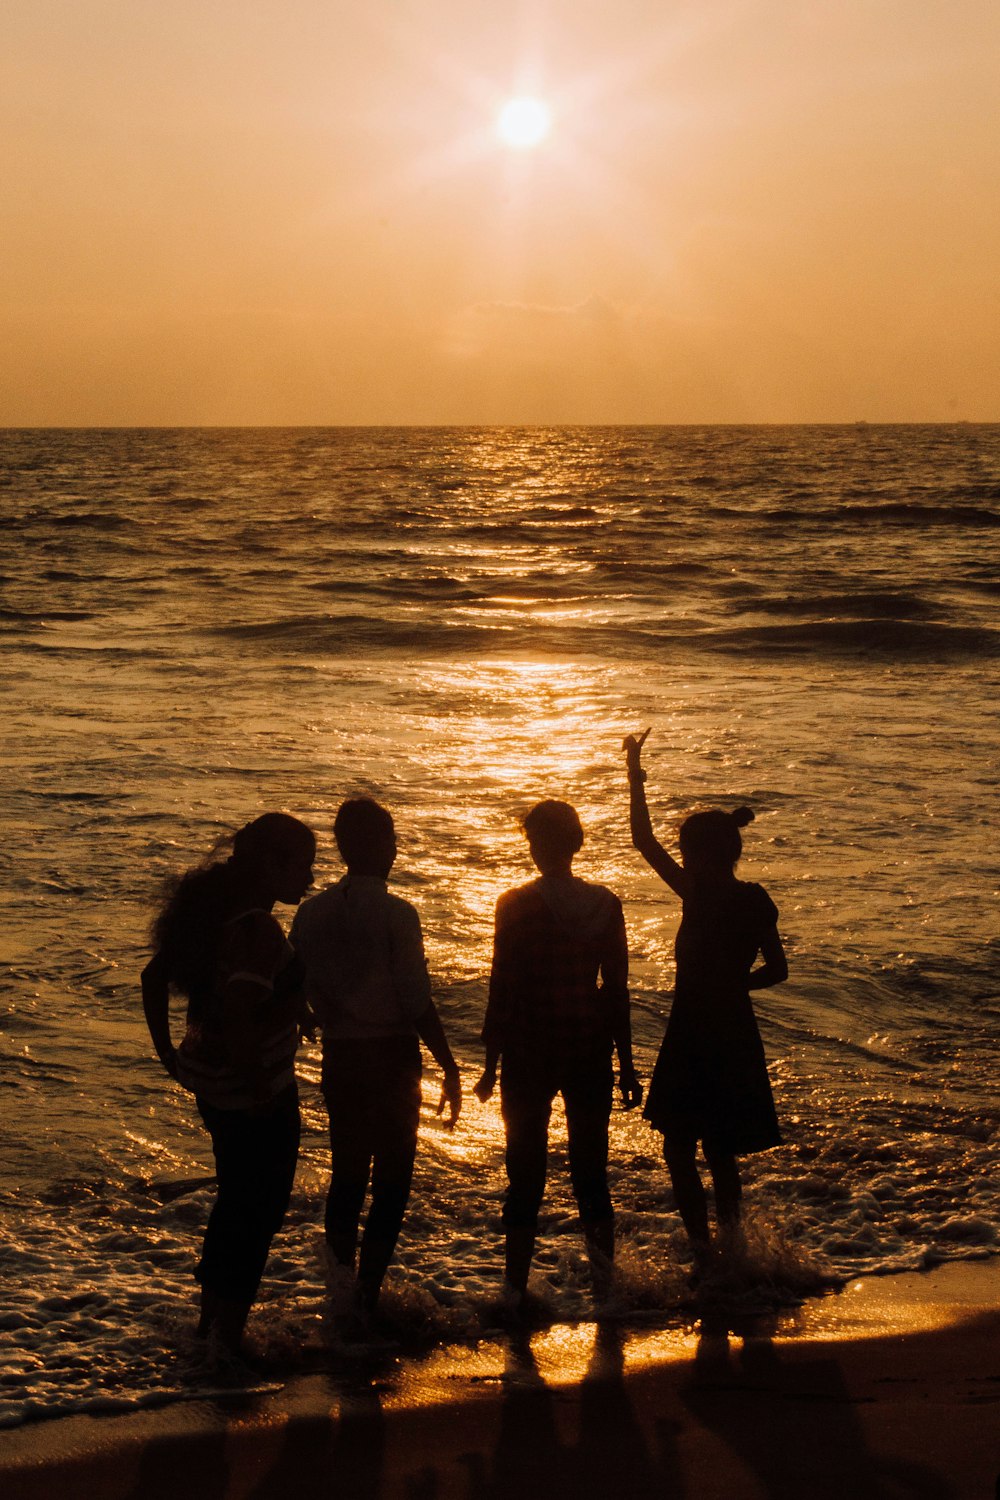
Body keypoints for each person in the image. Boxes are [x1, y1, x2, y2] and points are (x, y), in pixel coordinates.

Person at [141, 812, 317, 1352]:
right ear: (269, 865)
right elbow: (240, 1013)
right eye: (302, 866)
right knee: (258, 1212)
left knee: (234, 1201)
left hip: (211, 1086)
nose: (309, 879)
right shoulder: (259, 929)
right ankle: (227, 1344)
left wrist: (168, 1053)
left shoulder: (213, 915)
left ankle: (208, 1328)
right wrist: (262, 1089)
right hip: (249, 1092)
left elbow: (154, 978)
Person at [623, 729, 788, 1274]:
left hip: (694, 1029)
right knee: (720, 1151)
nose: (683, 857)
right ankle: (731, 1251)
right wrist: (737, 987)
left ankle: (705, 1253)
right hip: (734, 1028)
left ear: (699, 854)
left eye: (688, 849)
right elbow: (778, 969)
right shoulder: (753, 898)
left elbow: (642, 840)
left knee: (680, 1149)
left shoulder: (697, 892)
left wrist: (634, 771)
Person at [290, 797, 461, 1315]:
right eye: (390, 839)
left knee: (347, 1175)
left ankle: (341, 1289)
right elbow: (415, 1001)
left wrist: (311, 1016)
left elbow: (292, 978)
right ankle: (367, 1292)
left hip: (342, 1056)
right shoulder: (396, 913)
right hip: (391, 1055)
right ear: (384, 845)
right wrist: (449, 1065)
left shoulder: (312, 912)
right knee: (392, 1179)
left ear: (342, 847)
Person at [474, 800, 642, 1305]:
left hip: (529, 1049)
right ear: (577, 843)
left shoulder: (516, 902)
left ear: (536, 846)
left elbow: (503, 985)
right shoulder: (605, 905)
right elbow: (616, 991)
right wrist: (627, 1065)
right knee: (591, 1169)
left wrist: (489, 1064)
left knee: (524, 1172)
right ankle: (606, 1287)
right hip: (589, 1047)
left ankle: (515, 1289)